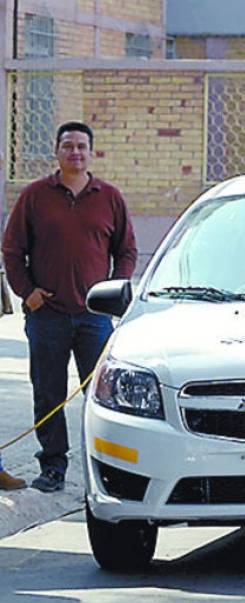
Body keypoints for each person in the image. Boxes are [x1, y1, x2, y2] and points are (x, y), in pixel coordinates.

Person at [1, 121, 137, 493]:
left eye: (81, 146)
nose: (75, 152)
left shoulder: (108, 196)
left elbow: (125, 251)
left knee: (104, 395)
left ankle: (108, 466)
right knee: (49, 392)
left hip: (95, 319)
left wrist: (114, 292)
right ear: (57, 152)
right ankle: (53, 466)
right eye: (68, 146)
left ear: (91, 152)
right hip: (48, 316)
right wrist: (26, 292)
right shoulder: (35, 196)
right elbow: (12, 250)